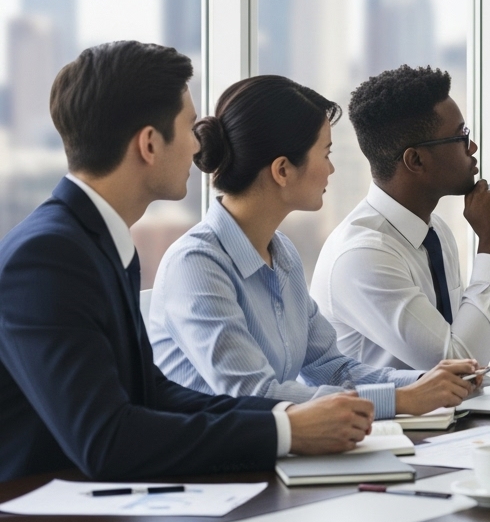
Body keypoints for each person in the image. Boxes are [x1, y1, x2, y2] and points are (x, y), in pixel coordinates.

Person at [0, 42, 374, 482]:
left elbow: (151, 394)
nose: (200, 143)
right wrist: (286, 429)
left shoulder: (98, 241)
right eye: (187, 126)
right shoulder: (47, 257)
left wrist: (288, 419)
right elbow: (107, 440)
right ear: (150, 144)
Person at [147, 75, 483, 420]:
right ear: (282, 170)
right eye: (326, 153)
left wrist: (425, 383)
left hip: (272, 451)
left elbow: (330, 366)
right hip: (214, 468)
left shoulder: (283, 255)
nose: (331, 168)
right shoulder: (196, 265)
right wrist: (401, 401)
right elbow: (254, 395)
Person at [311, 66, 490, 371]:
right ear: (416, 160)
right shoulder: (363, 255)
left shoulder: (436, 233)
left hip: (448, 415)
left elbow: (460, 348)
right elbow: (460, 365)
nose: (472, 148)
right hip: (392, 419)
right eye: (461, 136)